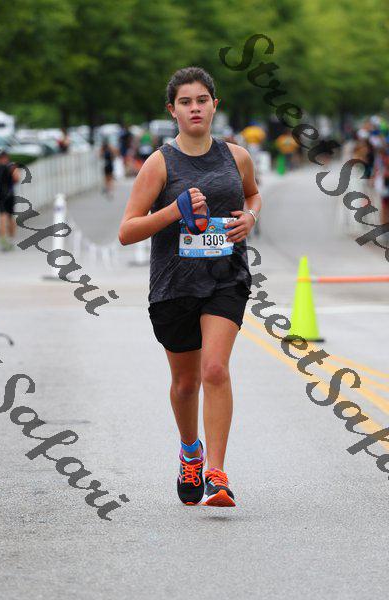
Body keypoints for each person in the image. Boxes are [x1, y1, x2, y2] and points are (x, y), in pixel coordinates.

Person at [118, 66, 261, 507]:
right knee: (185, 384)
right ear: (172, 110)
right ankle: (190, 452)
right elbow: (127, 230)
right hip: (174, 284)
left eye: (202, 100)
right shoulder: (160, 163)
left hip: (226, 278)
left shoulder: (236, 157)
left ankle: (217, 474)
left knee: (215, 369)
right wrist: (173, 211)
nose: (195, 108)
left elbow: (253, 194)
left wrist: (250, 217)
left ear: (215, 105)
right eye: (185, 102)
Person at [0, 151, 19, 251]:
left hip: (1, 194)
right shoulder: (12, 166)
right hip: (10, 194)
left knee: (3, 218)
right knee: (10, 217)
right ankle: (11, 240)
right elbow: (17, 178)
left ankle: (4, 241)